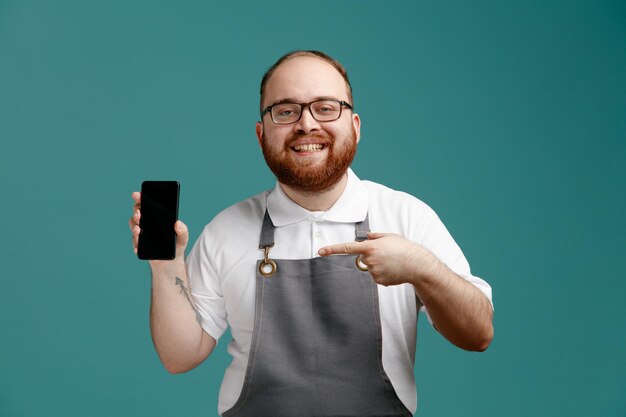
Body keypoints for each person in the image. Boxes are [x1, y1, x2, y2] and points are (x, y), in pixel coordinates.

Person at [129, 50, 493, 417]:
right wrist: (166, 264)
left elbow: (478, 334)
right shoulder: (226, 230)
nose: (306, 124)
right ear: (261, 134)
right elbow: (180, 357)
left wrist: (422, 268)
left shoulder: (407, 217)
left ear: (355, 126)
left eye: (325, 108)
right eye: (286, 111)